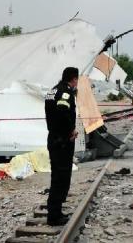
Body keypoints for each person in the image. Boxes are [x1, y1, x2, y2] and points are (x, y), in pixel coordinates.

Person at [44, 67, 79, 226]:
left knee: (56, 176)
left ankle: (55, 210)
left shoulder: (52, 91)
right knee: (61, 177)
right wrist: (70, 129)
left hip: (53, 138)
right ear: (73, 79)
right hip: (62, 141)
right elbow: (62, 109)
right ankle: (54, 216)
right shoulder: (66, 92)